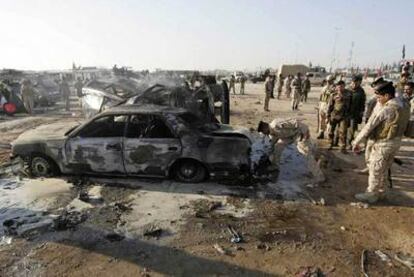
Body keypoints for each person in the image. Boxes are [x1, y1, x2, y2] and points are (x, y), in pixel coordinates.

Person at [352, 81, 410, 203]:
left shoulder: (387, 109)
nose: (378, 100)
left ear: (387, 96)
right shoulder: (403, 105)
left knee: (375, 168)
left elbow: (369, 126)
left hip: (383, 143)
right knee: (384, 168)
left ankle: (371, 193)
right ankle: (382, 192)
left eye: (379, 97)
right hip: (396, 142)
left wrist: (356, 141)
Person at [326, 80, 352, 152]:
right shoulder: (333, 95)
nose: (340, 88)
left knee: (343, 132)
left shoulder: (349, 94)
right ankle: (330, 144)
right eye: (339, 86)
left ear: (344, 86)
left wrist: (350, 115)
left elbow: (351, 105)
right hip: (334, 115)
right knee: (331, 131)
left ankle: (342, 147)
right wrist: (327, 116)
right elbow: (330, 106)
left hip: (344, 116)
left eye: (342, 86)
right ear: (337, 87)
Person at [347, 75, 366, 147]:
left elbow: (362, 103)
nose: (354, 84)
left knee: (352, 129)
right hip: (346, 113)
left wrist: (361, 112)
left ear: (359, 83)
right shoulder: (348, 90)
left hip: (355, 113)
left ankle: (350, 142)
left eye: (356, 83)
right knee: (344, 127)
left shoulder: (361, 91)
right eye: (353, 82)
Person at [317, 75, 335, 139]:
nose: (328, 82)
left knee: (329, 121)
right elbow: (321, 97)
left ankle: (328, 134)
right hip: (322, 105)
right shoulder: (324, 88)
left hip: (329, 106)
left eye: (330, 81)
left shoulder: (334, 89)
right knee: (321, 120)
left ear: (333, 81)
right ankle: (321, 132)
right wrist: (319, 105)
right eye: (327, 81)